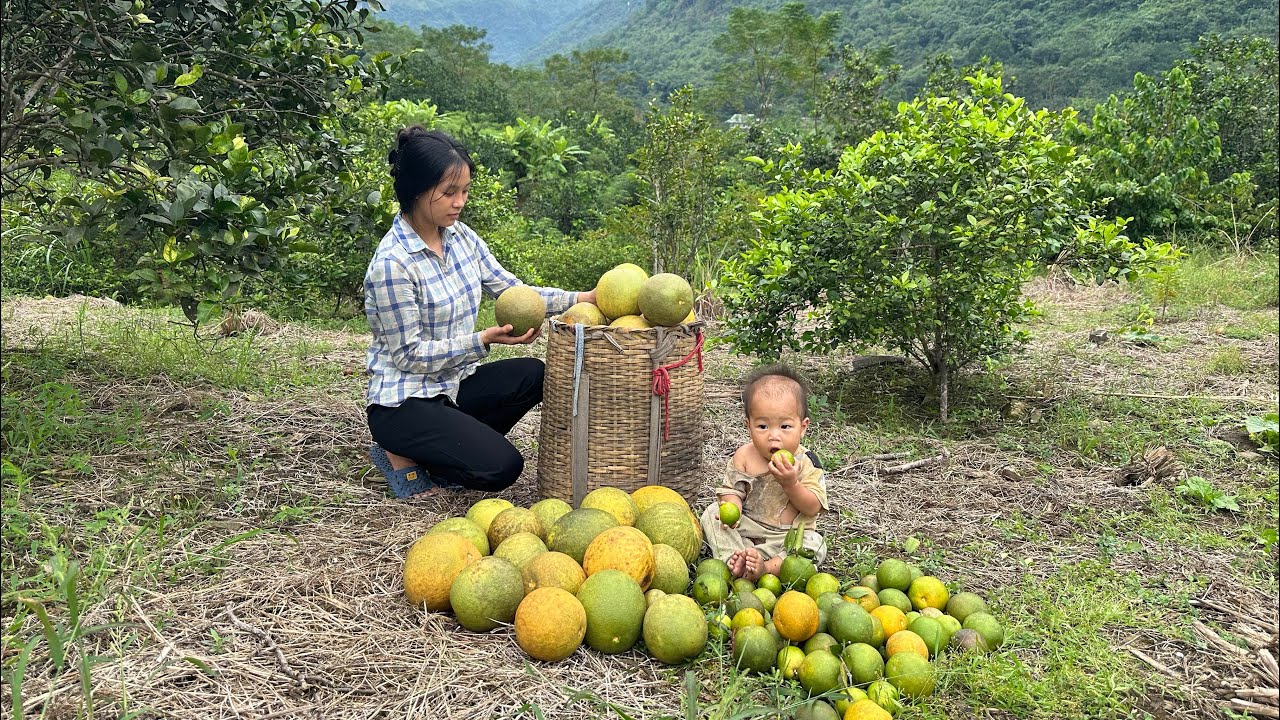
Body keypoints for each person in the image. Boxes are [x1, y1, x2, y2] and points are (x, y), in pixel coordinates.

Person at [364, 126, 596, 498]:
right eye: (449, 193)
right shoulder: (392, 265)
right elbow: (408, 355)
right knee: (502, 467)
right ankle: (401, 452)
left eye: (465, 191)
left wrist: (582, 297)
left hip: (453, 385)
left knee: (536, 374)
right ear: (417, 191)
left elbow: (513, 291)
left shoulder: (461, 237)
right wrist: (482, 340)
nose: (460, 202)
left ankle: (446, 442)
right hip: (404, 402)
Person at [699, 364, 828, 581]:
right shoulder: (744, 456)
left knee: (815, 544)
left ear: (803, 427)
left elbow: (813, 507)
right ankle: (737, 559)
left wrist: (791, 484)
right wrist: (733, 509)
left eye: (785, 426)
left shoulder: (807, 463)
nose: (773, 436)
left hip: (788, 538)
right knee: (711, 514)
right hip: (747, 532)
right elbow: (731, 491)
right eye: (762, 427)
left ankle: (767, 569)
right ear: (748, 426)